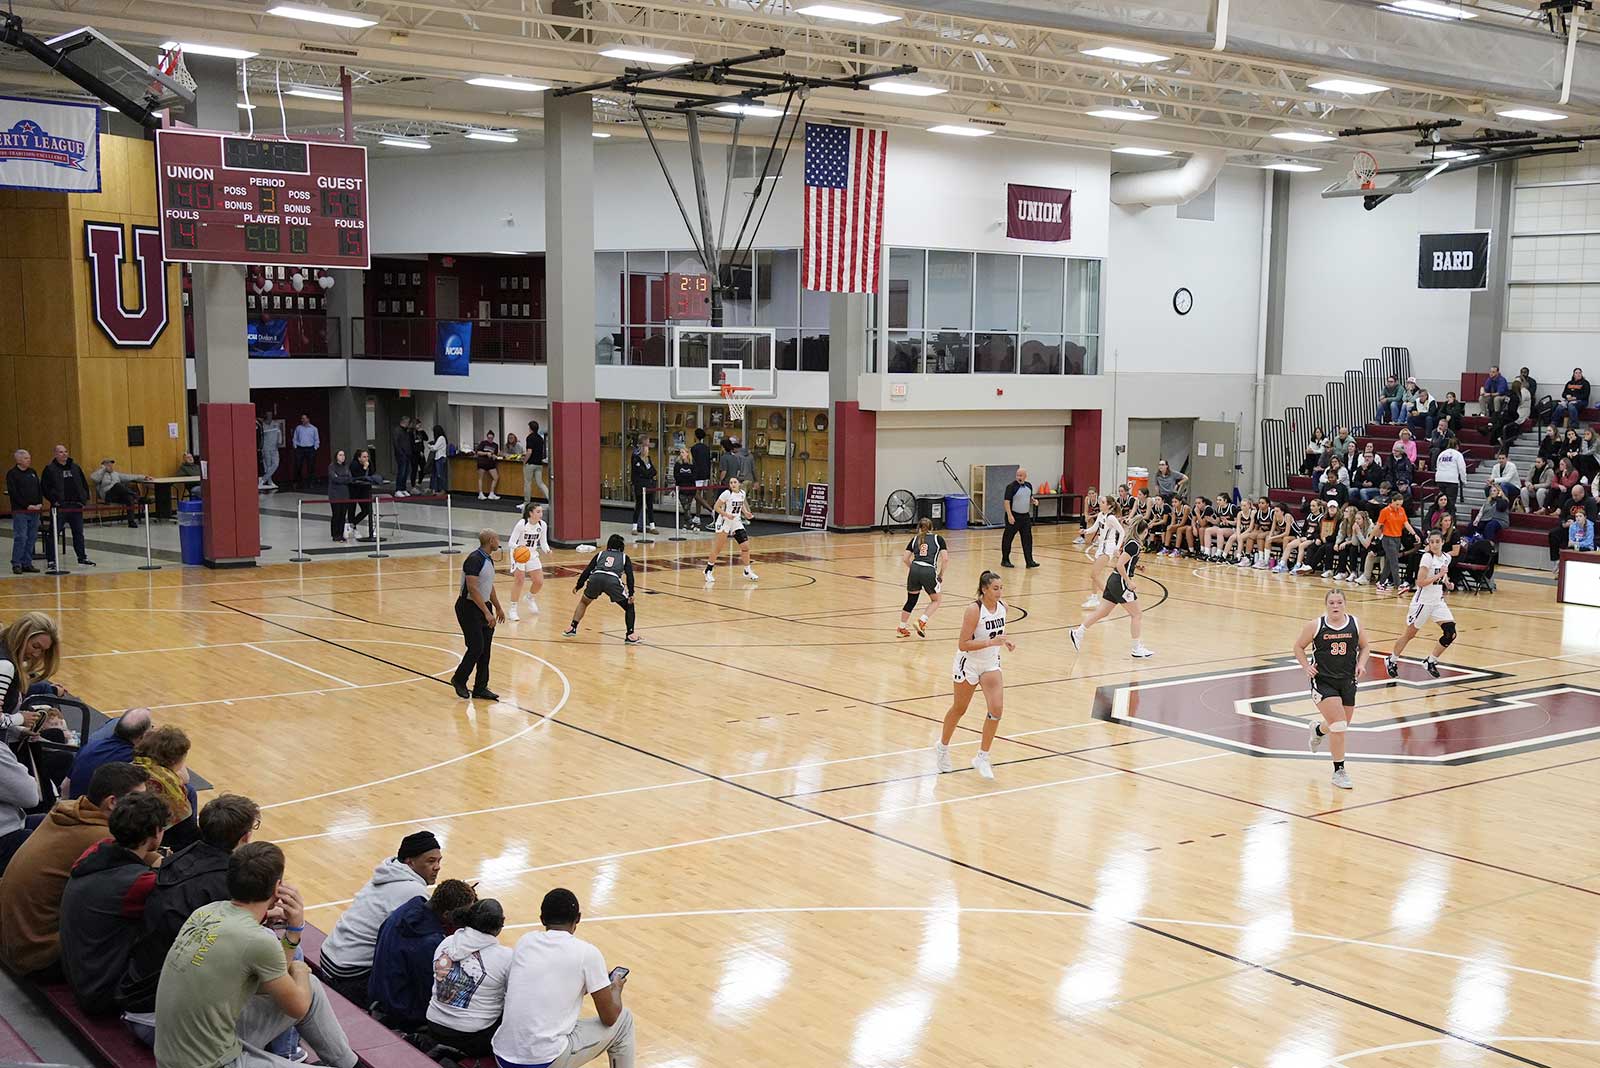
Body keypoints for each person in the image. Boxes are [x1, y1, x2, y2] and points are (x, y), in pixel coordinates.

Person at [154, 842, 359, 1068]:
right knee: (304, 980)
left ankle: (350, 1064)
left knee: (309, 985)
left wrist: (270, 919)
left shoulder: (207, 911)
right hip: (211, 1063)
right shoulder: (257, 940)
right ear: (277, 888)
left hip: (175, 1051)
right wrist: (295, 933)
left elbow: (269, 977)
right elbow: (298, 1007)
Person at [0, 761, 151, 975]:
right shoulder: (101, 837)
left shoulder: (68, 810)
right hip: (38, 955)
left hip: (13, 939)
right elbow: (147, 858)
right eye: (138, 800)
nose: (143, 806)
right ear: (112, 802)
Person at [117, 794, 262, 1016]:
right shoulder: (227, 881)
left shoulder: (177, 857)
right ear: (245, 837)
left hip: (139, 978)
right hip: (163, 997)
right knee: (282, 959)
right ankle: (283, 1049)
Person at [493, 887, 634, 1068]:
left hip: (503, 1054)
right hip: (542, 1061)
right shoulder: (587, 954)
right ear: (578, 918)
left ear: (542, 918)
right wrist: (616, 989)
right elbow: (610, 1017)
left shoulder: (525, 941)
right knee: (625, 1020)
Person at [58, 792, 169, 1015]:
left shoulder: (96, 851)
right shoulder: (137, 884)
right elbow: (171, 899)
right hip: (103, 992)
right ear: (156, 832)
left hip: (80, 972)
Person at [318, 831, 445, 1003]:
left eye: (439, 860)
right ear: (410, 861)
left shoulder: (387, 873)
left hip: (329, 956)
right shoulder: (414, 892)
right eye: (431, 861)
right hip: (350, 973)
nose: (437, 866)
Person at [368, 879, 478, 1030]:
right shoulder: (431, 942)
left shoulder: (405, 910)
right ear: (447, 914)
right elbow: (434, 992)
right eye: (462, 915)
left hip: (382, 996)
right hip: (404, 1012)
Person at [1292, 590, 1369, 791]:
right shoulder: (1315, 625)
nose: (1336, 606)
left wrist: (1361, 664)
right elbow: (1298, 647)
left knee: (1338, 726)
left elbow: (1365, 647)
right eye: (1332, 602)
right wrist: (1305, 666)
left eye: (1339, 602)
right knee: (1340, 726)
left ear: (1345, 604)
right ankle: (1339, 771)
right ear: (1326, 605)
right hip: (1323, 681)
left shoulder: (1355, 624)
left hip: (1348, 681)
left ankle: (1318, 730)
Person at [426, 899, 513, 1058]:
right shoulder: (506, 957)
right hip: (471, 1038)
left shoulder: (447, 942)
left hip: (433, 1026)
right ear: (500, 926)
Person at [1071, 519, 1155, 660]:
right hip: (1121, 582)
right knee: (1137, 615)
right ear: (1145, 531)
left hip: (1114, 581)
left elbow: (1124, 559)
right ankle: (1136, 648)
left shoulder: (1131, 542)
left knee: (1103, 612)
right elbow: (1120, 565)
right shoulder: (1134, 545)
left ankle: (1078, 632)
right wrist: (1129, 582)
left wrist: (1137, 566)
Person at [1387, 530, 1458, 681]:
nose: (1434, 544)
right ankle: (1391, 660)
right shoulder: (1427, 558)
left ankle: (1431, 661)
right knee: (1410, 634)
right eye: (1431, 542)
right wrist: (1439, 576)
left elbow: (1444, 574)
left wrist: (1447, 582)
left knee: (1450, 632)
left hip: (1437, 601)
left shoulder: (1446, 557)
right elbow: (1420, 582)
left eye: (1437, 542)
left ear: (1442, 542)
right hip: (1423, 602)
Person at [452, 530, 505, 701]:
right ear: (491, 540)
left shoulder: (488, 559)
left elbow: (488, 586)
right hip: (468, 607)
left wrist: (498, 607)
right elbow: (473, 588)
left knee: (485, 649)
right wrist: (486, 612)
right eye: (497, 538)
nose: (499, 541)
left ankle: (480, 688)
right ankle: (459, 679)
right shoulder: (474, 559)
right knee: (476, 647)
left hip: (483, 606)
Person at [565, 535, 640, 644]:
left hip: (596, 578)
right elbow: (630, 576)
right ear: (621, 547)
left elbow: (587, 570)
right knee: (629, 606)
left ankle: (572, 627)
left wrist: (579, 585)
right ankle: (630, 635)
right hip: (612, 580)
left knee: (584, 602)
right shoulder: (624, 557)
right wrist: (631, 593)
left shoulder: (600, 554)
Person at [133, 725, 197, 850]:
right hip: (157, 842)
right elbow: (186, 828)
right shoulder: (166, 782)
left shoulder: (135, 764)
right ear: (175, 759)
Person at [67, 707, 152, 798]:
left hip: (74, 805)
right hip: (100, 809)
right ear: (143, 736)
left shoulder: (89, 746)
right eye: (151, 727)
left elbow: (65, 785)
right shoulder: (134, 761)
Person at [41, 444, 93, 566]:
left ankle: (82, 557)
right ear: (55, 454)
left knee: (78, 533)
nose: (64, 454)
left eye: (65, 451)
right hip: (60, 507)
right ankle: (52, 560)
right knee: (54, 533)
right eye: (60, 452)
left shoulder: (75, 467)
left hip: (76, 506)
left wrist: (84, 499)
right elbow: (45, 488)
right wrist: (54, 500)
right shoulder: (50, 469)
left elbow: (83, 484)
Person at [702, 476, 758, 584]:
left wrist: (746, 513)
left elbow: (741, 505)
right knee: (718, 548)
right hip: (724, 521)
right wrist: (726, 514)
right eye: (731, 482)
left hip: (736, 521)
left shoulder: (742, 493)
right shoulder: (727, 494)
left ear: (739, 484)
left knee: (745, 546)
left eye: (735, 482)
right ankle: (708, 570)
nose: (732, 484)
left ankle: (747, 570)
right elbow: (716, 507)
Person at [898, 518, 948, 638]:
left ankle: (902, 627)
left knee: (911, 600)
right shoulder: (938, 539)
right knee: (936, 600)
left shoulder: (915, 539)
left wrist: (914, 568)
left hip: (915, 568)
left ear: (919, 528)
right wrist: (940, 575)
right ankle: (922, 621)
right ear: (932, 528)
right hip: (929, 570)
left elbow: (905, 559)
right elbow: (945, 559)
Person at [7, 449, 50, 574]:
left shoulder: (32, 472)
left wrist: (39, 503)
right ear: (18, 460)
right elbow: (13, 493)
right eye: (26, 458)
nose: (29, 460)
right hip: (20, 511)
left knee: (32, 537)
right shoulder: (12, 474)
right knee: (21, 537)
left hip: (35, 511)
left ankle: (27, 562)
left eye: (29, 458)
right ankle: (17, 563)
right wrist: (27, 505)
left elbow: (38, 489)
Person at [507, 503, 551, 622]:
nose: (541, 514)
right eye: (538, 512)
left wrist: (547, 550)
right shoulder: (522, 524)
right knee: (519, 580)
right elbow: (511, 543)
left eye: (541, 512)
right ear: (530, 513)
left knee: (539, 582)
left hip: (531, 553)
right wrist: (520, 549)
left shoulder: (542, 525)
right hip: (518, 553)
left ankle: (529, 597)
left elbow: (543, 542)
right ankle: (512, 609)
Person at [1081, 494, 1125, 607]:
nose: (1100, 503)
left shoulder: (1111, 518)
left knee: (1094, 575)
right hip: (1101, 547)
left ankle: (1110, 596)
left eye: (1103, 502)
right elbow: (1095, 528)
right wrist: (1085, 531)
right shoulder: (1101, 515)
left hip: (1108, 547)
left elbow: (1122, 532)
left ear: (1109, 506)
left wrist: (1117, 547)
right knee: (1095, 574)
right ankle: (1094, 597)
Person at [91, 458, 154, 528]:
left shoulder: (116, 474)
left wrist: (144, 477)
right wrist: (103, 470)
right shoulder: (99, 474)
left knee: (128, 498)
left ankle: (131, 522)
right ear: (103, 465)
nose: (110, 465)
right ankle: (138, 498)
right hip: (107, 496)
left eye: (111, 464)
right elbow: (94, 478)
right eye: (108, 464)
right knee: (117, 485)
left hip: (117, 496)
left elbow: (130, 477)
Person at [1375, 493, 1417, 593]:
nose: (1399, 506)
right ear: (1392, 502)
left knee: (1389, 562)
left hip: (1397, 539)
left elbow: (1406, 523)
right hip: (1388, 539)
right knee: (1394, 562)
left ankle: (1380, 582)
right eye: (1397, 504)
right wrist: (1372, 537)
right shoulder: (1385, 511)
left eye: (1400, 504)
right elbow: (1378, 525)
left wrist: (1414, 534)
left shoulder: (1402, 510)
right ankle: (1398, 585)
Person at [1000, 467, 1038, 569]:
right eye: (1017, 475)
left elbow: (1027, 497)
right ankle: (1005, 559)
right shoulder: (1011, 487)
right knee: (1008, 538)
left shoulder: (1029, 486)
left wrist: (1033, 501)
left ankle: (1029, 561)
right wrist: (1009, 515)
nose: (1019, 477)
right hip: (1014, 516)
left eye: (1021, 475)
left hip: (1025, 517)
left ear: (1025, 476)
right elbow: (1006, 502)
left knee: (1027, 539)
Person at [347, 448, 379, 540]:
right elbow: (358, 477)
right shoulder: (354, 464)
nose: (366, 459)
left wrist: (368, 467)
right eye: (364, 457)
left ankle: (353, 524)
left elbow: (372, 473)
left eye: (367, 456)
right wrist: (364, 468)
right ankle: (351, 527)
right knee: (352, 509)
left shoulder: (369, 463)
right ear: (359, 458)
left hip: (365, 489)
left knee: (367, 510)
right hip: (354, 490)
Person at [630, 442, 659, 535]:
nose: (648, 451)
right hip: (640, 486)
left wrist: (648, 473)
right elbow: (643, 472)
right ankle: (634, 527)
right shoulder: (636, 460)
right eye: (646, 449)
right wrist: (648, 473)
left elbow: (654, 471)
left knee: (650, 506)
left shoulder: (648, 459)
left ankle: (652, 526)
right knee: (639, 506)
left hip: (649, 485)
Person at [1433, 437, 1468, 510]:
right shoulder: (1458, 454)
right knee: (1450, 501)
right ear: (1457, 446)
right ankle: (1450, 517)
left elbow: (1437, 466)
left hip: (1440, 479)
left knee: (1442, 500)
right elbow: (1462, 469)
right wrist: (1464, 480)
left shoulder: (1442, 454)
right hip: (1451, 480)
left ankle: (1442, 516)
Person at [688, 427, 713, 529]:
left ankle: (712, 511)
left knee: (696, 494)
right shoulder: (706, 448)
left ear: (695, 436)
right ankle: (697, 516)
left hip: (697, 474)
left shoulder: (694, 448)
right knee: (699, 495)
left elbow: (693, 462)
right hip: (705, 474)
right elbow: (708, 462)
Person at [328, 449, 352, 542]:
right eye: (340, 455)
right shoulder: (332, 467)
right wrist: (343, 479)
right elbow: (334, 479)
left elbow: (350, 478)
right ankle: (335, 534)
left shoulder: (346, 467)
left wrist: (341, 478)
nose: (342, 457)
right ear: (336, 456)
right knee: (336, 514)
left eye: (343, 455)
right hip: (335, 494)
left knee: (343, 515)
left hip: (345, 494)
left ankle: (341, 534)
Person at [291, 415, 321, 488]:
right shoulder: (298, 428)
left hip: (310, 448)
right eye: (302, 419)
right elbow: (295, 438)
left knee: (311, 466)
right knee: (298, 466)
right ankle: (297, 482)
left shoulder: (314, 429)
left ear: (308, 419)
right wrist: (295, 446)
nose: (302, 420)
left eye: (304, 418)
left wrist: (315, 447)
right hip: (300, 448)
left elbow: (316, 439)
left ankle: (311, 483)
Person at [523, 420, 548, 503]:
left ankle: (527, 502)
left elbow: (529, 452)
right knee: (540, 483)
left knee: (528, 483)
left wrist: (524, 461)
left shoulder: (529, 437)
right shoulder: (540, 438)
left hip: (530, 464)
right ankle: (550, 499)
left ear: (530, 428)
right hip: (539, 464)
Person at [475, 431, 501, 500]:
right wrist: (486, 453)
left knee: (496, 477)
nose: (490, 439)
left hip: (491, 463)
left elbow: (495, 454)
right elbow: (478, 452)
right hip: (482, 462)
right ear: (487, 437)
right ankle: (480, 493)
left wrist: (494, 456)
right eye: (489, 438)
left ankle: (491, 493)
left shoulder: (495, 445)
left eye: (491, 438)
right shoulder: (483, 443)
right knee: (481, 478)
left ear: (493, 438)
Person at [259, 416, 282, 491]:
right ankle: (270, 481)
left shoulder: (276, 424)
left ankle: (263, 480)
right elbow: (261, 438)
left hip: (274, 448)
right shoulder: (262, 426)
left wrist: (279, 442)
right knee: (268, 466)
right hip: (266, 448)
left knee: (276, 464)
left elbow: (279, 433)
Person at [392, 416, 413, 499]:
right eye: (407, 422)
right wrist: (400, 453)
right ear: (403, 422)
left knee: (406, 472)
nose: (408, 424)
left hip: (407, 454)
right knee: (401, 471)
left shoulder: (406, 431)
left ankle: (403, 488)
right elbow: (396, 443)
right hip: (401, 455)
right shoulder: (397, 430)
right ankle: (398, 489)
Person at [429, 425, 450, 495]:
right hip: (438, 458)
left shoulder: (441, 438)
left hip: (440, 458)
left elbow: (434, 448)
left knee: (440, 475)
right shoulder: (441, 438)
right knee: (436, 475)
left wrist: (429, 446)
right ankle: (436, 489)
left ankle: (442, 490)